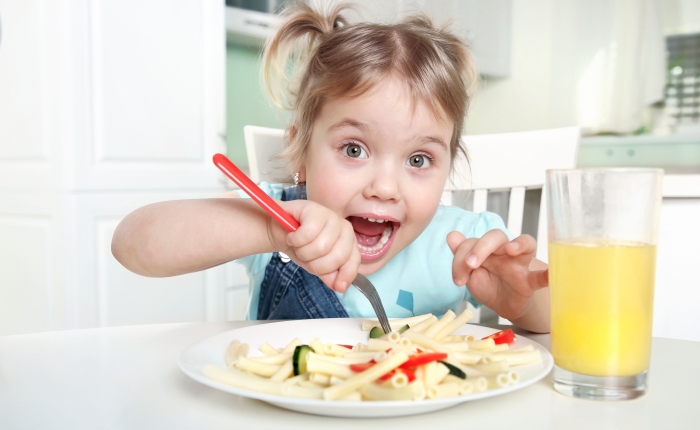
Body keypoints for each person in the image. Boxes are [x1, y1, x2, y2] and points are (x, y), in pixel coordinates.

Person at [111, 1, 550, 333]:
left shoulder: (464, 246)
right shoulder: (275, 220)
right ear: (301, 152)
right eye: (354, 150)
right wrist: (271, 230)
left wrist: (521, 304)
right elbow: (131, 244)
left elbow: (560, 321)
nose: (384, 187)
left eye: (419, 159)